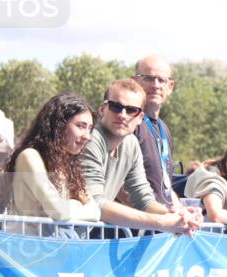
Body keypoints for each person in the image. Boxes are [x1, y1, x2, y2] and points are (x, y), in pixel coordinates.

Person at [79, 79, 200, 236]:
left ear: (140, 117)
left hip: (78, 237)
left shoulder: (131, 143)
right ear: (102, 109)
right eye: (116, 107)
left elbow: (143, 199)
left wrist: (177, 216)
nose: (123, 115)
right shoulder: (91, 139)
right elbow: (94, 203)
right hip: (57, 237)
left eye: (131, 110)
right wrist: (162, 222)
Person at [0, 93, 100, 222]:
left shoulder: (69, 165)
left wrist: (67, 207)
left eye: (90, 128)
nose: (87, 136)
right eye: (80, 126)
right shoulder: (30, 156)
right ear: (58, 125)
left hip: (52, 235)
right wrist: (76, 204)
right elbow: (58, 212)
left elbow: (96, 212)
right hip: (30, 235)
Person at [132, 55, 178, 210]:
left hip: (160, 220)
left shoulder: (165, 129)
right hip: (137, 222)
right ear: (134, 82)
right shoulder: (127, 122)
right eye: (149, 78)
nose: (156, 85)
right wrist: (155, 216)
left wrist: (181, 210)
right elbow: (120, 184)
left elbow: (165, 186)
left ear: (170, 86)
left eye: (161, 80)